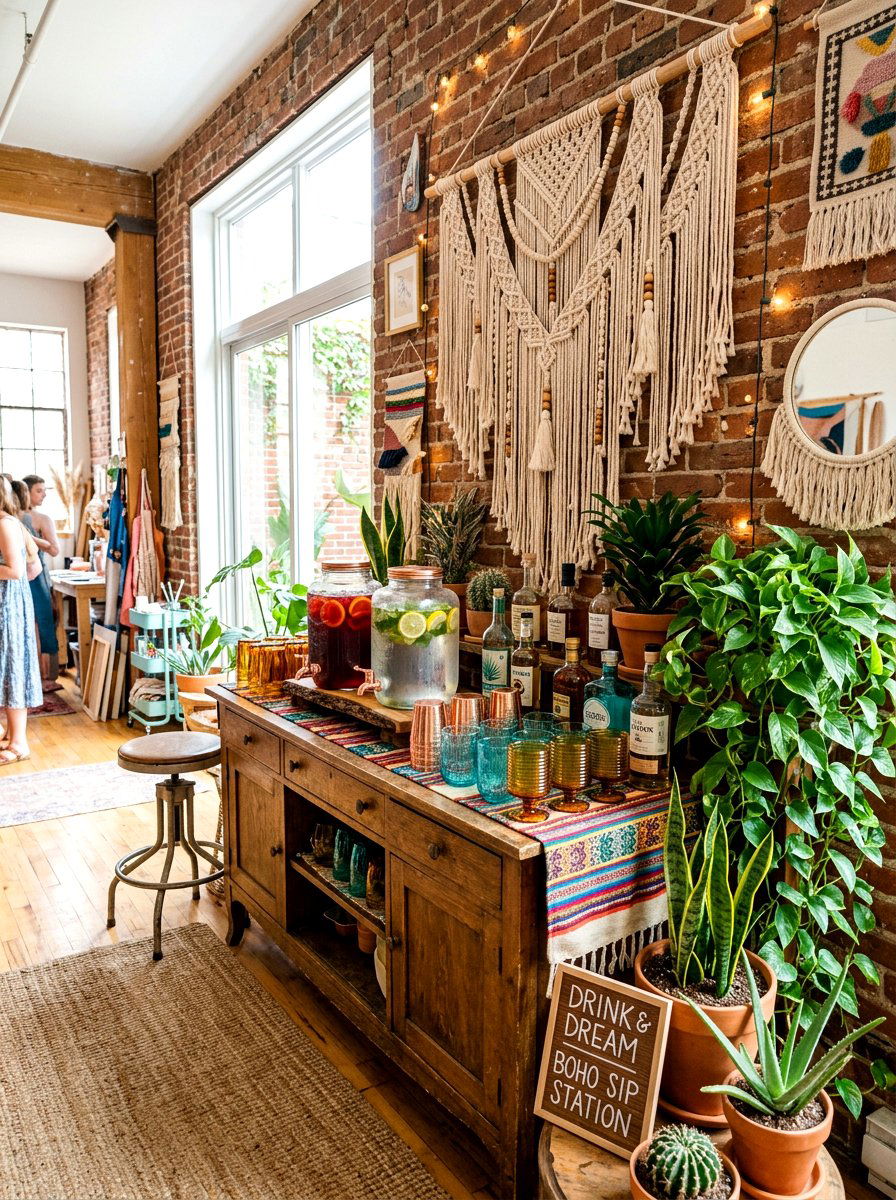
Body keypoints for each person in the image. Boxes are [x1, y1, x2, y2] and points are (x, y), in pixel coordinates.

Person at [0, 475, 42, 764]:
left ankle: (19, 743)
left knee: (14, 667)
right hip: (7, 603)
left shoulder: (5, 523)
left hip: (8, 605)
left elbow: (16, 570)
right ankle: (8, 734)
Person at [13, 478, 60, 675]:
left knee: (44, 619)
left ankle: (49, 673)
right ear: (26, 493)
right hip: (16, 577)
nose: (44, 495)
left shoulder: (42, 519)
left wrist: (30, 538)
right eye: (39, 491)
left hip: (36, 574)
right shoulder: (11, 518)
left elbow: (55, 551)